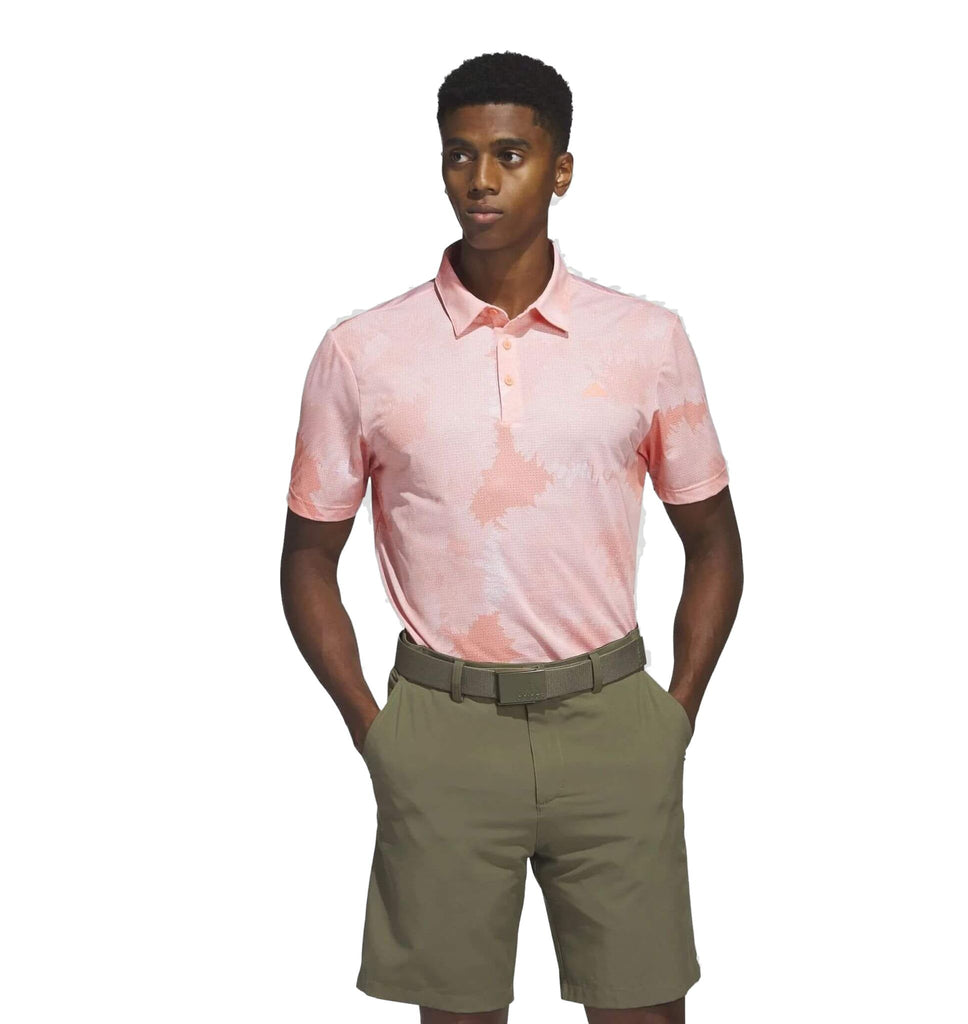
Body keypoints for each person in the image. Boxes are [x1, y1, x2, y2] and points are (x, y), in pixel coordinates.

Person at [281, 50, 743, 1024]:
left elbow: (712, 538)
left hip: (612, 723)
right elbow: (307, 558)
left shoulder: (646, 340)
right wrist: (376, 729)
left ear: (560, 169)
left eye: (509, 155)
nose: (480, 179)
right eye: (459, 155)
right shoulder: (362, 353)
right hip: (441, 728)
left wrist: (674, 716)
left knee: (644, 1010)